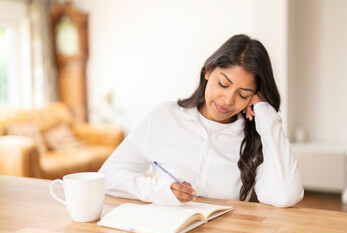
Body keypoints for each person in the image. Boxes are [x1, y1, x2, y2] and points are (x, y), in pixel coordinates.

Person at [99, 34, 304, 207]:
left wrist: (267, 117)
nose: (228, 100)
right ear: (208, 71)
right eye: (223, 84)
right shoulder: (164, 117)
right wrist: (158, 190)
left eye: (243, 94)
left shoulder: (254, 136)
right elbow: (108, 176)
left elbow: (284, 195)